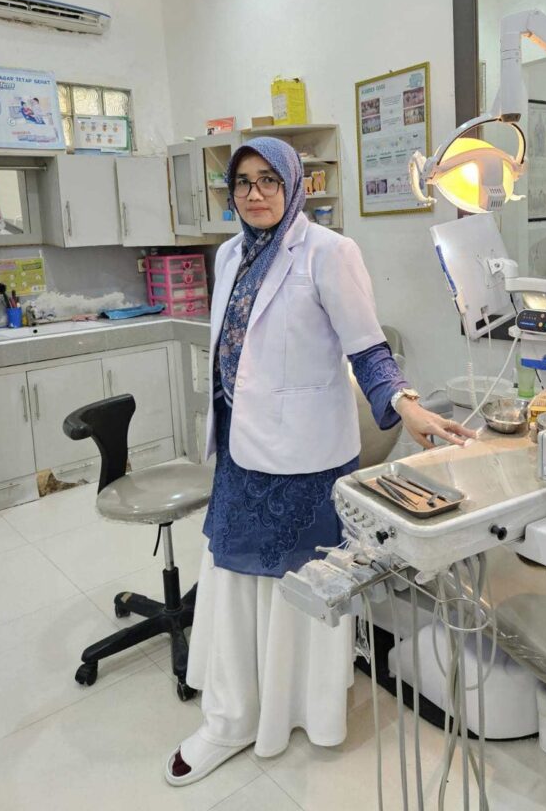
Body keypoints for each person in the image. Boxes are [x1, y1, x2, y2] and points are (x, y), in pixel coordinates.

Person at [165, 136, 476, 786]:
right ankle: (230, 717)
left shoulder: (329, 253)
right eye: (243, 181)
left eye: (268, 180)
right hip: (240, 453)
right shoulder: (228, 255)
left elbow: (368, 349)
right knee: (232, 583)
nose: (255, 193)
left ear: (293, 185)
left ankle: (302, 712)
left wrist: (407, 406)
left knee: (299, 591)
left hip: (304, 459)